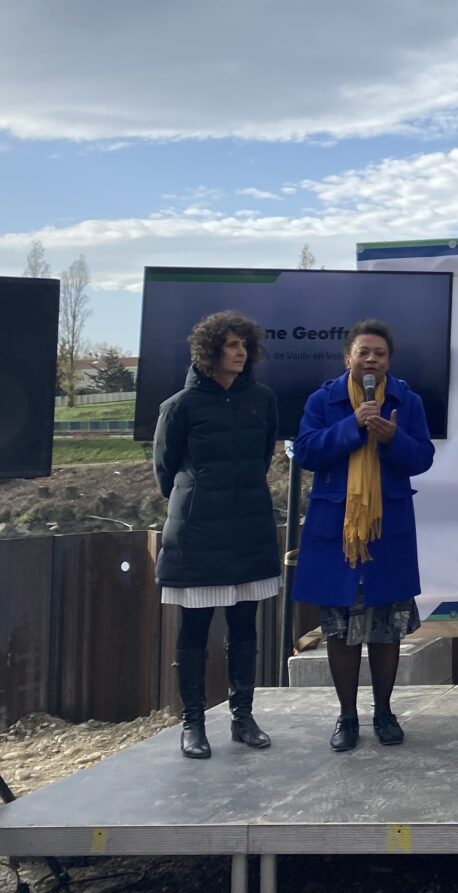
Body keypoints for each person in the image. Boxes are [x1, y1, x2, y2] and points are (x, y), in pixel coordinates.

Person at [293, 320, 434, 751]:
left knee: (386, 630)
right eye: (364, 352)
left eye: (380, 354)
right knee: (339, 630)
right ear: (348, 358)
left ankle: (385, 713)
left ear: (388, 361)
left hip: (385, 530)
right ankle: (347, 717)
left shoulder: (405, 400)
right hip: (337, 532)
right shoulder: (324, 400)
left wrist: (393, 439)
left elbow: (422, 457)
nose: (371, 360)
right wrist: (352, 425)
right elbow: (307, 451)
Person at [153, 310, 279, 759]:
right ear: (210, 351)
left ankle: (242, 717)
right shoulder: (179, 406)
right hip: (197, 533)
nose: (241, 351)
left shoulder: (262, 399)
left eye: (245, 344)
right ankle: (193, 724)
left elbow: (262, 458)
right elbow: (166, 473)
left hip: (249, 527)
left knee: (245, 625)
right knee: (195, 627)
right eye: (231, 345)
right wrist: (204, 498)